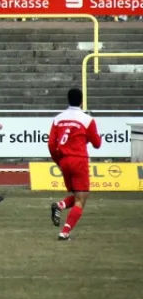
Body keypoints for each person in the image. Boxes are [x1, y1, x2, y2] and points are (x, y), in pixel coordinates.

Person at [48, 88, 102, 241]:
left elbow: (52, 144)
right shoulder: (87, 119)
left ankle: (60, 205)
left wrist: (58, 161)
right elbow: (97, 144)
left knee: (78, 195)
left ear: (68, 100)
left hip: (64, 160)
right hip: (79, 160)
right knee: (81, 198)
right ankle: (64, 232)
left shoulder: (58, 118)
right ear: (81, 101)